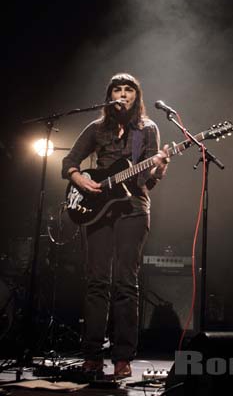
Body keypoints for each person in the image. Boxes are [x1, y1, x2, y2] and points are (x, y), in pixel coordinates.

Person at [61, 73, 169, 378]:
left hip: (133, 209)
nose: (122, 94)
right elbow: (68, 161)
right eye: (117, 90)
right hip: (96, 210)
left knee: (125, 282)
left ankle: (123, 358)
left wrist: (158, 168)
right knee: (96, 282)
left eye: (128, 90)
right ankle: (92, 355)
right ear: (110, 95)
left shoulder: (147, 129)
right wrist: (80, 178)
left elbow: (146, 179)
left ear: (137, 96)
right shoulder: (96, 128)